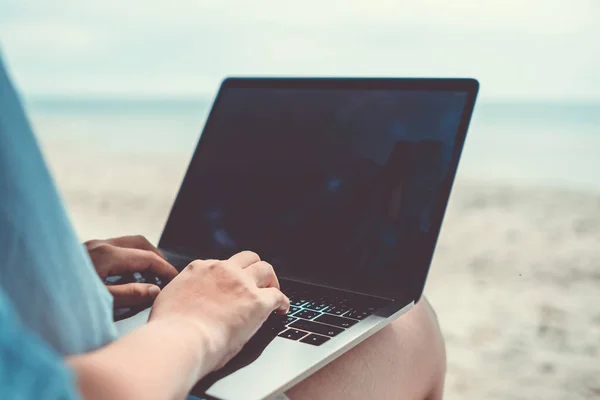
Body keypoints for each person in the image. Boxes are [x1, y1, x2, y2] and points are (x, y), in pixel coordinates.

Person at [0, 52, 446, 400]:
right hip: (129, 377)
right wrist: (195, 327)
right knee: (414, 327)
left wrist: (48, 273)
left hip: (98, 348)